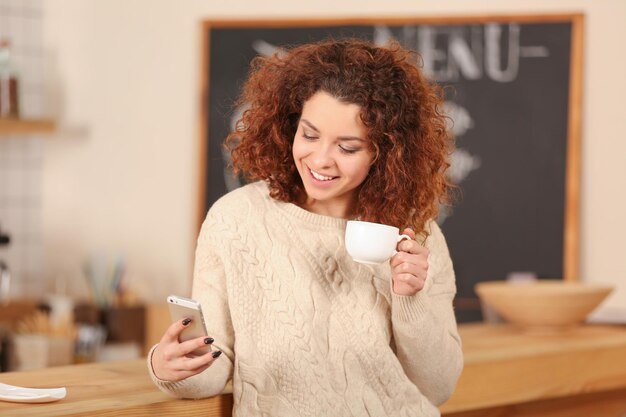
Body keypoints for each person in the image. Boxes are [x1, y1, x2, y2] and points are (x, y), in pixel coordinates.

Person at [148, 38, 463, 417]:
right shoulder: (235, 219)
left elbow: (438, 387)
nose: (320, 159)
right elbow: (217, 361)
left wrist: (411, 298)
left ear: (386, 152)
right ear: (288, 125)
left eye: (347, 148)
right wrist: (170, 367)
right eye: (309, 135)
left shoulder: (413, 233)